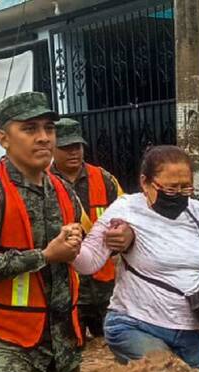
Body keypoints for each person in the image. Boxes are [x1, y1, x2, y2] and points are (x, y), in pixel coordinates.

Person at [0, 92, 134, 372]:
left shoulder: (62, 189)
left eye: (49, 128)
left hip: (61, 343)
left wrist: (120, 239)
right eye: (30, 128)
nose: (43, 137)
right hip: (3, 341)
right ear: (3, 139)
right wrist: (44, 256)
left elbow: (87, 250)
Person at [73, 145, 199, 372]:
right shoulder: (126, 210)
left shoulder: (197, 212)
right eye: (171, 188)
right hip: (135, 324)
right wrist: (69, 245)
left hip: (189, 331)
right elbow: (89, 262)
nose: (180, 194)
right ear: (145, 183)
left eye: (186, 187)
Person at [51, 118, 125, 340]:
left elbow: (127, 217)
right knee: (72, 348)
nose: (73, 152)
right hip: (67, 287)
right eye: (65, 148)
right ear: (52, 149)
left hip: (105, 285)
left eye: (77, 147)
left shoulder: (104, 179)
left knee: (113, 343)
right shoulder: (43, 182)